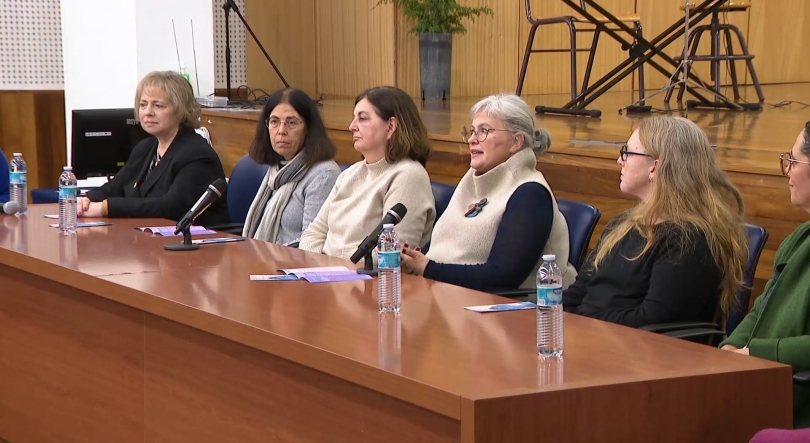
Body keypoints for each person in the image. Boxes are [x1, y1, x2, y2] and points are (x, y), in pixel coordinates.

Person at [562, 116, 748, 328]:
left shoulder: (688, 240)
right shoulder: (621, 224)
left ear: (655, 167)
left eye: (627, 152)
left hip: (638, 353)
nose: (619, 161)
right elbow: (577, 294)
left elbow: (652, 320)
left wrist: (583, 321)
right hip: (589, 339)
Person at [398, 94, 576, 292]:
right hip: (448, 295)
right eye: (472, 131)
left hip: (510, 310)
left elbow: (503, 276)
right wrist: (415, 261)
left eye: (484, 131)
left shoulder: (530, 193)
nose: (472, 140)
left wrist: (428, 268)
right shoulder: (474, 179)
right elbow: (447, 249)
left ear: (516, 141)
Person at [719, 122, 810, 429]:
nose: (786, 172)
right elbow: (762, 306)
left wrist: (755, 352)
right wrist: (733, 347)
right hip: (759, 380)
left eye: (794, 162)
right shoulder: (799, 238)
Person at [299, 86, 435, 261]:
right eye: (354, 118)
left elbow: (392, 254)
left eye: (362, 118)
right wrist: (318, 268)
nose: (351, 126)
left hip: (369, 283)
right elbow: (313, 232)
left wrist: (335, 269)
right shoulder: (349, 174)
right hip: (328, 276)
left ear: (391, 126)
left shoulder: (409, 176)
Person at [78, 71, 229, 226]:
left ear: (180, 110)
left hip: (195, 244)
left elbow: (170, 207)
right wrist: (87, 199)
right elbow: (116, 187)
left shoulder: (197, 154)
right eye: (143, 104)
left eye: (158, 105)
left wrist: (105, 208)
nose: (148, 112)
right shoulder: (145, 148)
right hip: (148, 239)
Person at [241, 88, 340, 246]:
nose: (281, 131)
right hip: (264, 259)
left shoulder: (323, 175)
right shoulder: (278, 169)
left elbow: (312, 243)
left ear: (308, 128)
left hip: (293, 265)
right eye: (274, 122)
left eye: (292, 122)